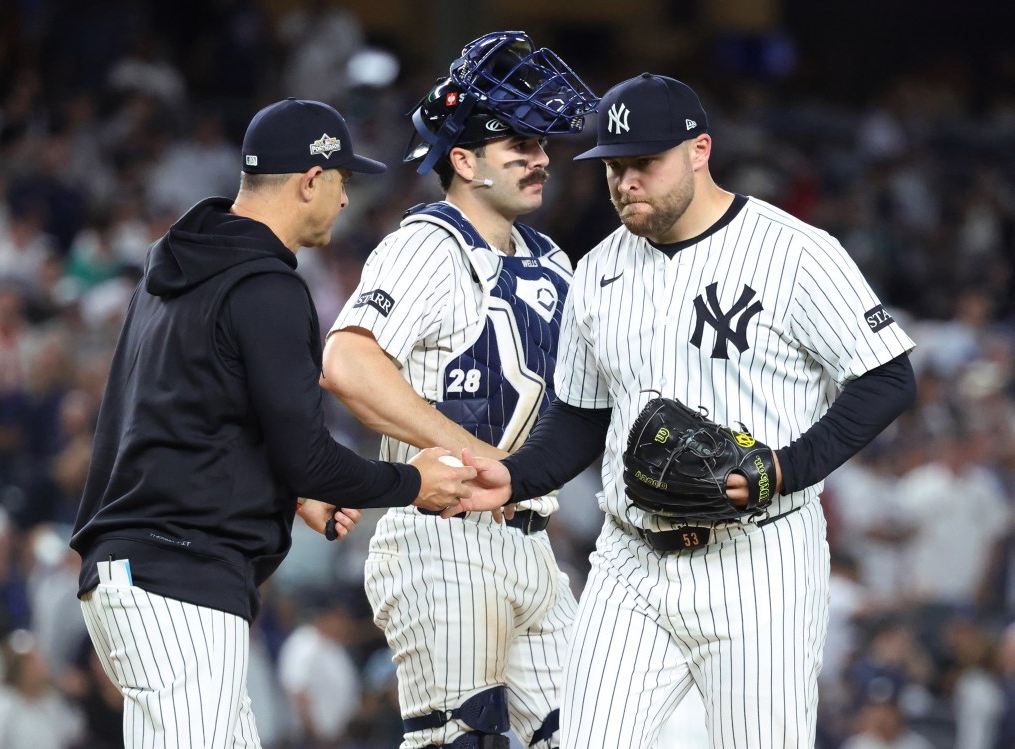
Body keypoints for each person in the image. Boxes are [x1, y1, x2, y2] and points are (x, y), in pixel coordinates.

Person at [455, 73, 917, 748]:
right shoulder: (599, 269)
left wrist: (787, 468)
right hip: (630, 561)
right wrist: (518, 476)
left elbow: (888, 378)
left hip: (759, 559)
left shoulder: (794, 252)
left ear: (699, 150)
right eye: (613, 167)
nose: (625, 182)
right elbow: (583, 413)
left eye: (645, 162)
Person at [69, 98, 499, 749]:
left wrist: (289, 488)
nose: (346, 201)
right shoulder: (266, 284)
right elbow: (308, 454)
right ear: (309, 180)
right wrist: (410, 482)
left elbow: (190, 417)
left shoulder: (173, 269)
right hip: (177, 576)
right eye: (342, 180)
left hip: (138, 571)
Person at [321, 31, 598, 749]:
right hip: (442, 538)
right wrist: (479, 457)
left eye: (541, 147)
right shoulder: (426, 244)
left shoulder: (551, 258)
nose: (541, 161)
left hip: (531, 544)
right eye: (520, 149)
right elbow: (348, 361)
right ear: (465, 160)